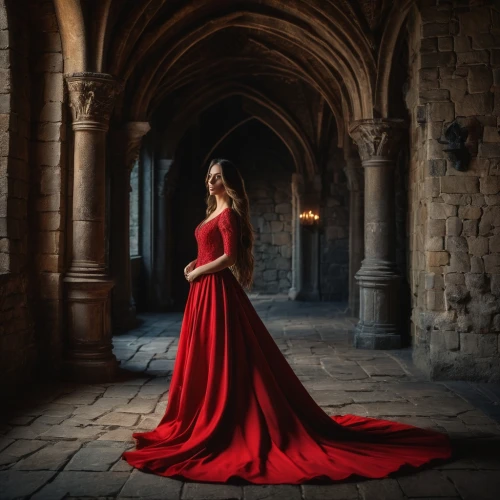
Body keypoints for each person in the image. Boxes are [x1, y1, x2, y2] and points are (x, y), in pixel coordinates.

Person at [122, 158, 452, 484]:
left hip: (216, 290)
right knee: (206, 353)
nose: (212, 181)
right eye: (210, 176)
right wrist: (195, 262)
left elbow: (229, 258)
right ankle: (204, 406)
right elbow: (211, 251)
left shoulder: (229, 215)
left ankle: (225, 410)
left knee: (226, 352)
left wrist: (198, 271)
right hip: (203, 289)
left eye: (219, 177)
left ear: (230, 182)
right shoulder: (212, 211)